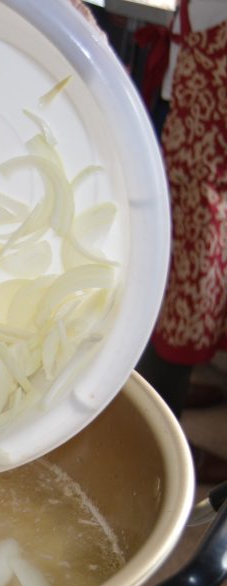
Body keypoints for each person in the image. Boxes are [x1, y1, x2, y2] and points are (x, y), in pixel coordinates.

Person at [134, 0, 227, 481]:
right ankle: (159, 450)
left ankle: (171, 405)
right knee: (180, 308)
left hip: (202, 156)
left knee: (186, 301)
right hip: (198, 168)